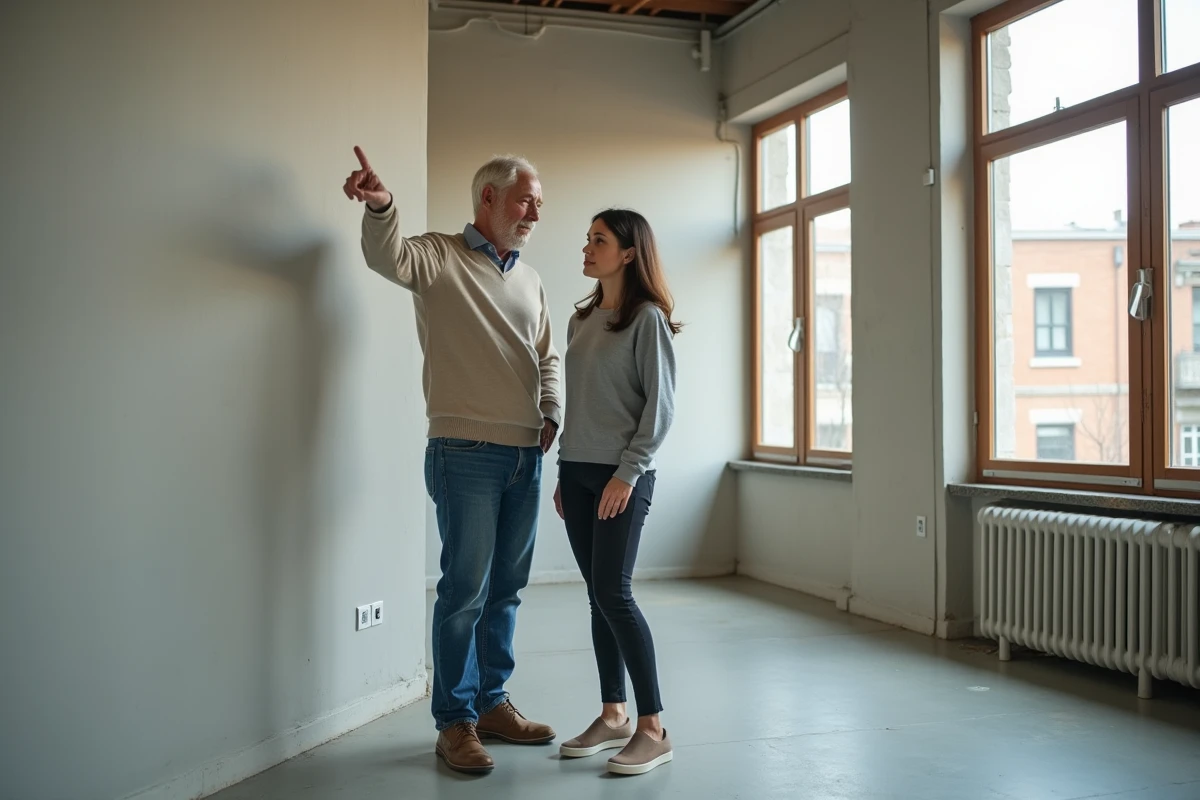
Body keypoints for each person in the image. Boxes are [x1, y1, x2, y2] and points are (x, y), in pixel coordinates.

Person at [343, 147, 561, 774]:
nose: (535, 214)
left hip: (526, 453)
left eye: (539, 204)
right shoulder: (439, 256)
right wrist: (382, 206)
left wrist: (551, 410)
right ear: (488, 198)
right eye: (526, 201)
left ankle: (492, 703)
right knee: (465, 592)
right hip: (463, 452)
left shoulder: (530, 278)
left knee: (506, 591)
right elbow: (387, 256)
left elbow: (547, 355)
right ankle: (455, 721)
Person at [553, 209, 681, 776]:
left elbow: (661, 408)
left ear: (628, 253)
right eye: (588, 238)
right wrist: (564, 471)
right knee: (597, 595)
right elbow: (578, 402)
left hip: (620, 476)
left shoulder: (647, 319)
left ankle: (653, 729)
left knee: (615, 593)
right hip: (578, 472)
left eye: (599, 240)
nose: (587, 248)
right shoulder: (580, 320)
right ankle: (613, 715)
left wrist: (627, 473)